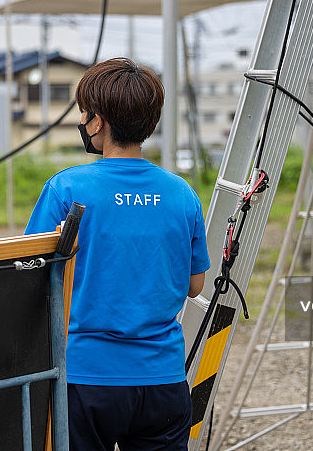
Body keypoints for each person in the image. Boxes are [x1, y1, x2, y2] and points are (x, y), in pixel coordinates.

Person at [24, 57, 210, 451]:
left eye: (84, 113)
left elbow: (30, 277)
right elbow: (195, 286)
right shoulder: (181, 193)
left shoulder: (67, 188)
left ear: (98, 121)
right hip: (164, 382)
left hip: (85, 379)